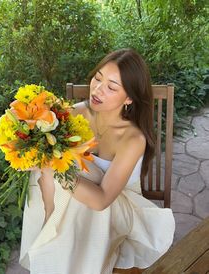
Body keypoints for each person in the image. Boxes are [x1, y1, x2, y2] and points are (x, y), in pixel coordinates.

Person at [19, 48, 175, 274]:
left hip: (115, 207)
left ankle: (60, 257)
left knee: (68, 170)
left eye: (112, 87)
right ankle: (51, 237)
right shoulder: (76, 114)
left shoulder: (132, 138)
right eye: (97, 78)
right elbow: (45, 170)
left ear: (129, 98)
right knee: (47, 165)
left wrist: (57, 168)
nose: (98, 90)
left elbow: (102, 200)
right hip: (73, 208)